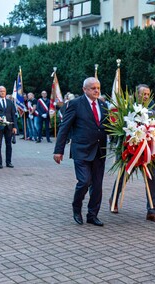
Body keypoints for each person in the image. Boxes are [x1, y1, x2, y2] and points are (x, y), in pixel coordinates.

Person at [53, 77, 107, 226]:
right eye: (93, 88)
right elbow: (64, 127)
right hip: (81, 150)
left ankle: (92, 215)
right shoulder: (75, 104)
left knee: (97, 185)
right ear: (84, 90)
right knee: (84, 181)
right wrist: (59, 150)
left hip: (99, 150)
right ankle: (76, 207)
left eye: (98, 87)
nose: (96, 90)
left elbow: (108, 127)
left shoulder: (103, 105)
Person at [109, 84, 155, 223]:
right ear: (136, 94)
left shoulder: (151, 105)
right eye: (143, 94)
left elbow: (154, 124)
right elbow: (120, 127)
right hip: (130, 149)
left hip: (146, 150)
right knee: (124, 176)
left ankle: (152, 210)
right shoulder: (128, 106)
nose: (146, 96)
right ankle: (114, 199)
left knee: (151, 177)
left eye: (148, 94)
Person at [0, 86, 18, 169]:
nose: (2, 92)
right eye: (1, 91)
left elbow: (13, 115)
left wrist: (15, 127)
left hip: (9, 126)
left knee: (9, 144)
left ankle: (8, 162)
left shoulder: (9, 102)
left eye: (4, 91)